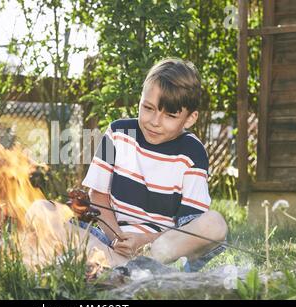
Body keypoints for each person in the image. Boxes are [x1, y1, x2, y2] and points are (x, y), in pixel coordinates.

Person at [81, 57, 228, 272]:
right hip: (109, 239)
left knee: (214, 223)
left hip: (162, 250)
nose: (155, 121)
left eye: (169, 115)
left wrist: (143, 242)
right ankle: (121, 266)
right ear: (140, 100)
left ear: (189, 119)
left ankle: (130, 266)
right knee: (42, 210)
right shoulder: (115, 132)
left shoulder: (193, 152)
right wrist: (118, 240)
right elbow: (97, 196)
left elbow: (189, 224)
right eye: (148, 108)